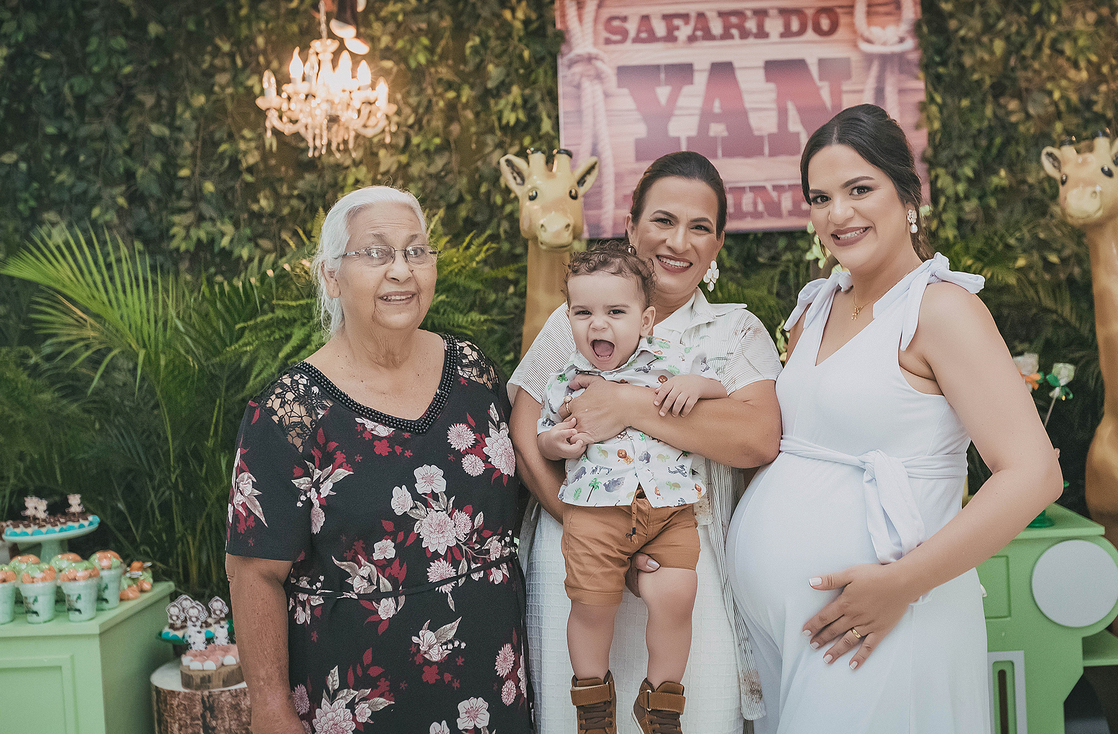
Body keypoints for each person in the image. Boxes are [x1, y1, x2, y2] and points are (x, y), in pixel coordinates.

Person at [726, 104, 1063, 733]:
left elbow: (1035, 474)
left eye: (860, 189)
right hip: (791, 630)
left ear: (909, 196)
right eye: (820, 198)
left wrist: (902, 585)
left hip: (886, 620)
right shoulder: (814, 308)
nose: (838, 213)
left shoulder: (941, 310)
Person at [225, 187, 531, 734]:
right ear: (331, 276)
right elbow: (254, 572)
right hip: (360, 703)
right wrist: (269, 707)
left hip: (491, 687)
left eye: (416, 251)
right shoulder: (291, 412)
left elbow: (523, 495)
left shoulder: (472, 370)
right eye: (375, 252)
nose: (401, 270)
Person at [509, 151, 784, 734]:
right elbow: (525, 431)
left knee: (692, 715)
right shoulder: (575, 320)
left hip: (686, 563)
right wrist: (592, 532)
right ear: (631, 227)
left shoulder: (735, 331)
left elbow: (758, 438)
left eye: (700, 227)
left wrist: (630, 404)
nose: (678, 241)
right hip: (580, 554)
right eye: (663, 220)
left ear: (718, 244)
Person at [536, 242, 728, 734]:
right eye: (583, 312)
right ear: (569, 317)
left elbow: (718, 388)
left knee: (678, 596)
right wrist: (557, 441)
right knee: (591, 606)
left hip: (669, 509)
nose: (598, 324)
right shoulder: (566, 380)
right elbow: (543, 438)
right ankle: (593, 705)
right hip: (596, 514)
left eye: (615, 312)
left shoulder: (672, 360)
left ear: (645, 321)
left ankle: (661, 704)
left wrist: (696, 386)